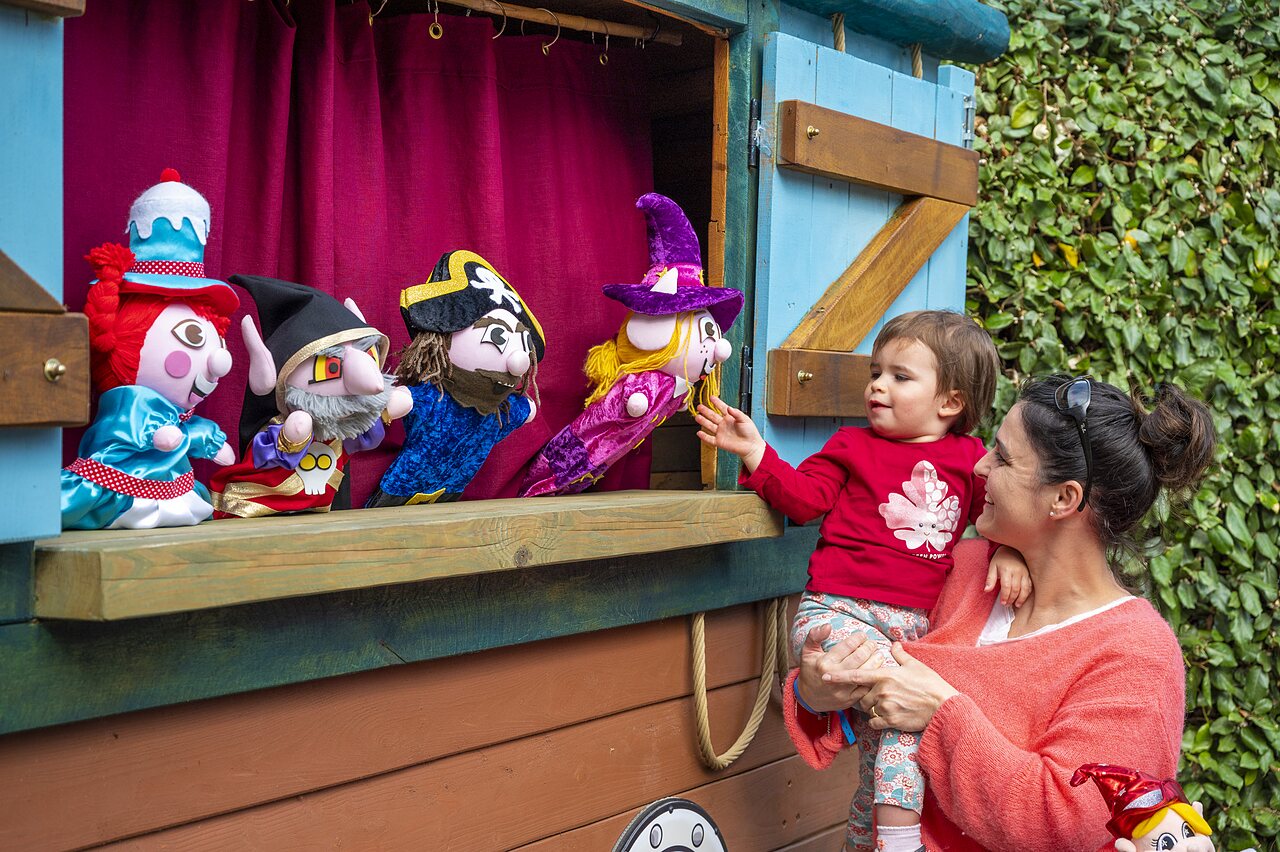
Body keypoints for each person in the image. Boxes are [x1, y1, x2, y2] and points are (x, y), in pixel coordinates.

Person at [785, 375, 1215, 851]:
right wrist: (816, 694)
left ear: (1064, 498)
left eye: (1004, 458)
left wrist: (940, 713)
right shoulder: (962, 568)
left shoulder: (1137, 656)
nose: (980, 466)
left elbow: (1068, 823)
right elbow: (876, 692)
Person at [696, 310, 1028, 852]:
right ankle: (898, 843)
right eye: (876, 372)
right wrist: (756, 452)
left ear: (950, 402)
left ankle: (866, 840)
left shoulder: (971, 461)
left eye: (900, 376)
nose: (877, 385)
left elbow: (995, 517)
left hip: (912, 634)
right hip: (837, 614)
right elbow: (805, 500)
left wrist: (1008, 549)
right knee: (905, 714)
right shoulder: (851, 445)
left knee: (890, 745)